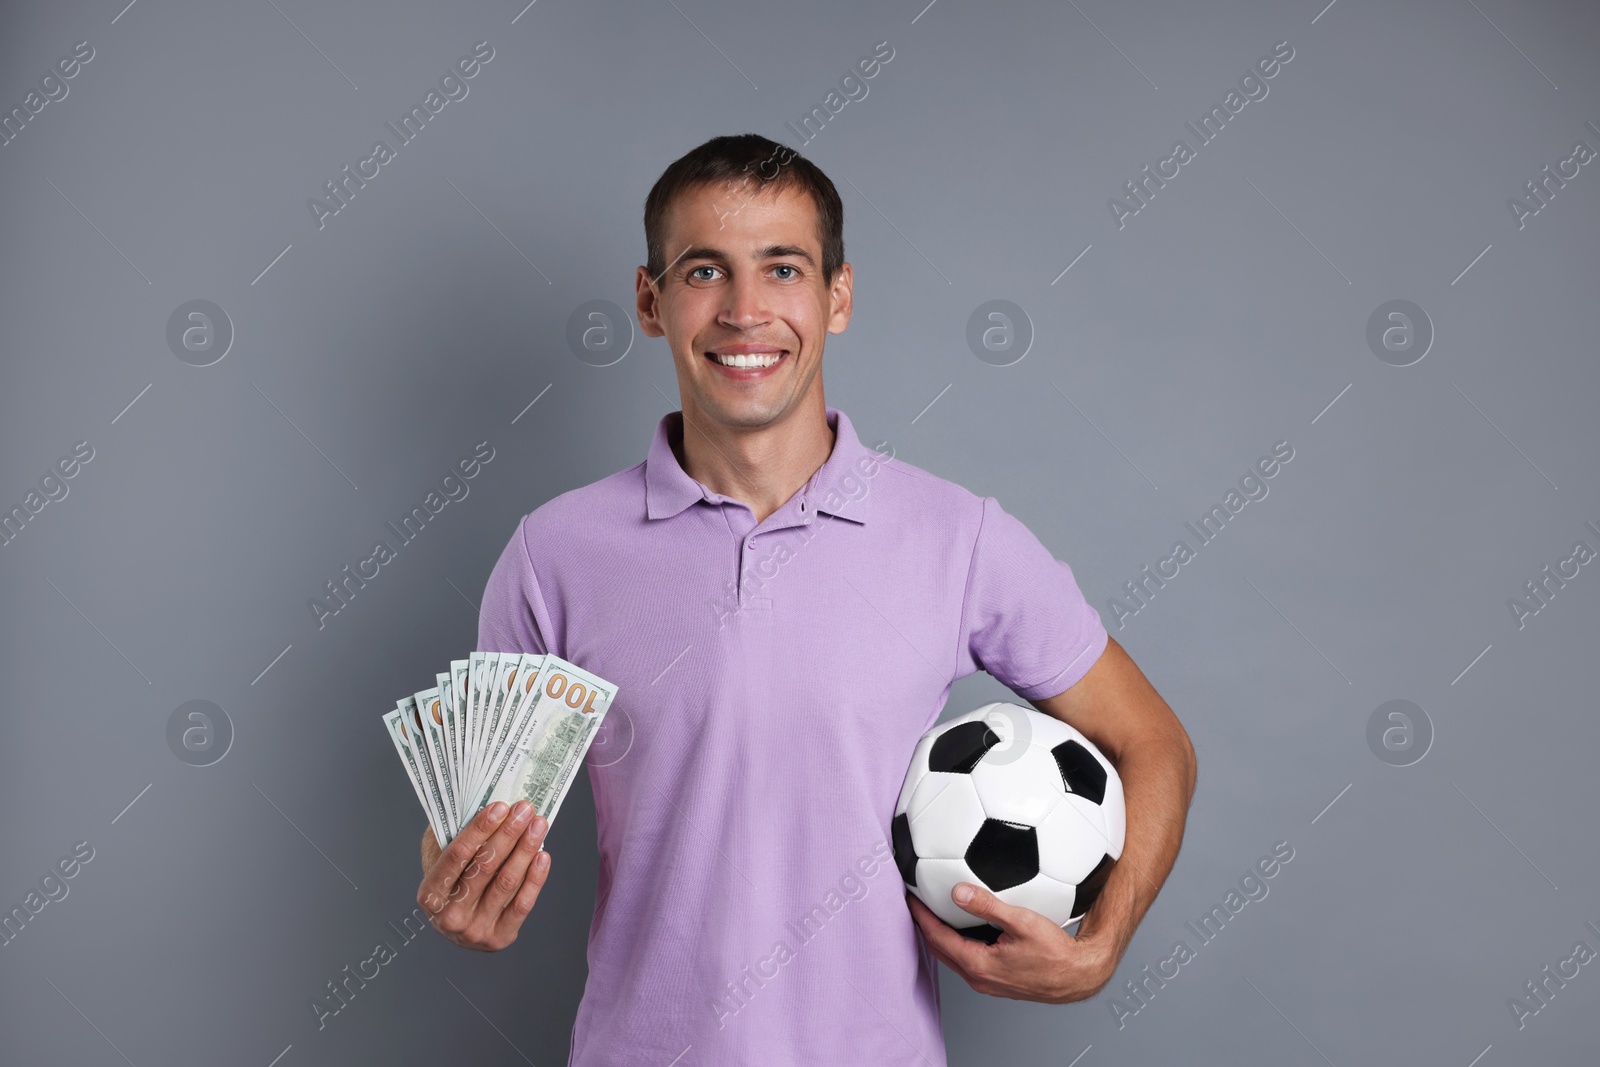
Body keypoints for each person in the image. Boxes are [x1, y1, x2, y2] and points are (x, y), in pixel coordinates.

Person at [415, 133, 1197, 1066]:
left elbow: (1154, 742)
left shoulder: (962, 538)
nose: (746, 312)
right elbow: (471, 818)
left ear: (838, 296)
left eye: (782, 269)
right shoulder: (555, 554)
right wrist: (457, 890)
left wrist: (1103, 941)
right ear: (649, 301)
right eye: (706, 269)